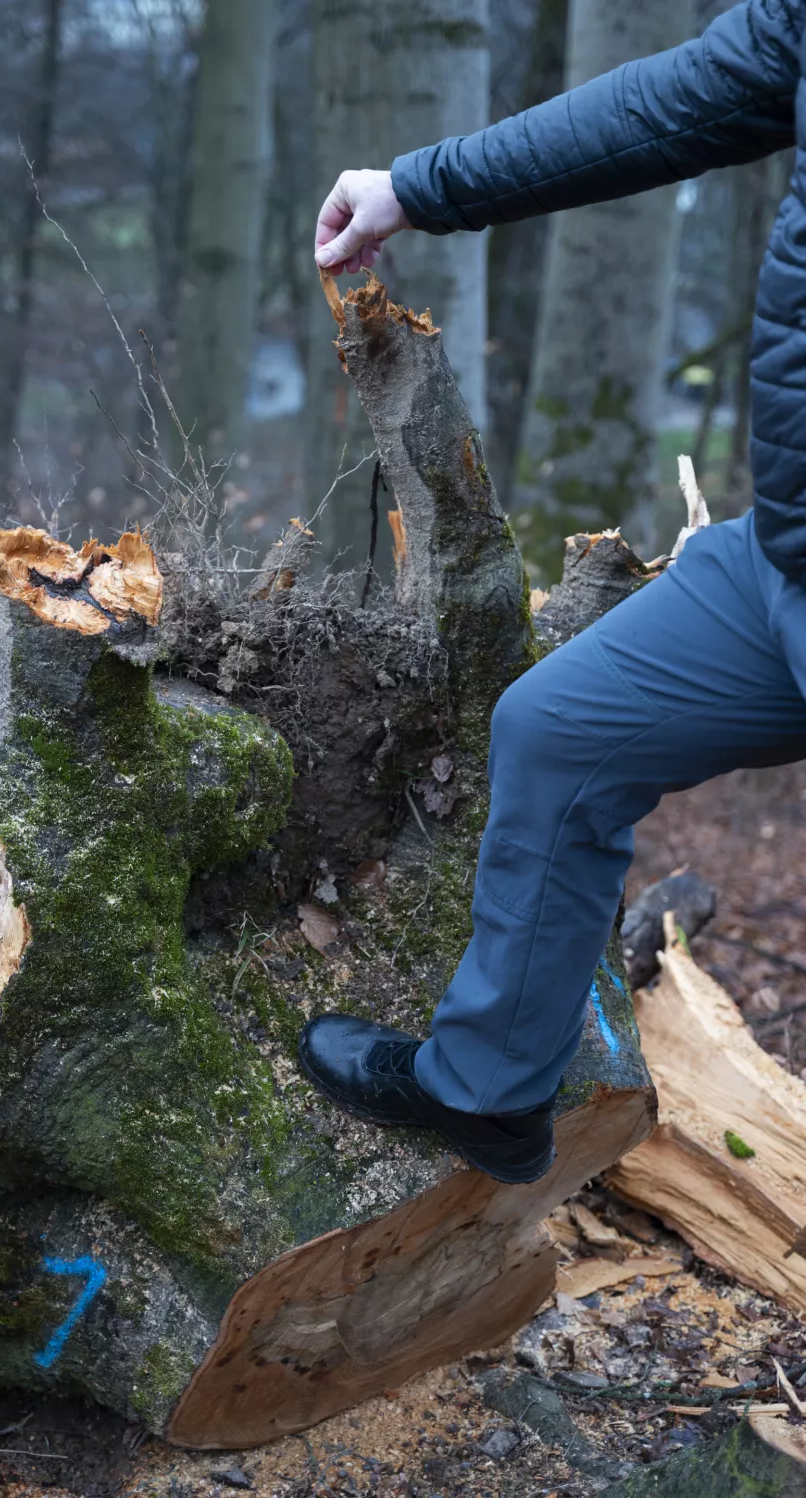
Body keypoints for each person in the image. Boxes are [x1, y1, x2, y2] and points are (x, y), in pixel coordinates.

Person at [297, 0, 806, 1185]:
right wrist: (416, 187)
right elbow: (671, 100)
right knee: (558, 727)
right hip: (784, 559)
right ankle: (486, 1088)